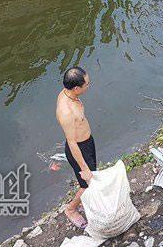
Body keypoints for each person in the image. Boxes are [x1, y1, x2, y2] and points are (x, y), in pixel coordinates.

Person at [56, 67, 97, 229]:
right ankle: (71, 209)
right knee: (87, 183)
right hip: (79, 149)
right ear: (76, 88)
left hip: (87, 142)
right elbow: (72, 143)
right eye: (87, 84)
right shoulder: (66, 111)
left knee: (91, 177)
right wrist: (84, 168)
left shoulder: (68, 92)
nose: (89, 85)